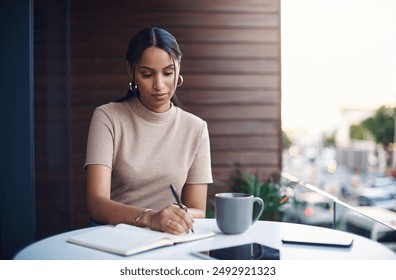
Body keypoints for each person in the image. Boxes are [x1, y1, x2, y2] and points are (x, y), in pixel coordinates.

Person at [84, 27, 213, 234]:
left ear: (179, 69)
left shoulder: (196, 128)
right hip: (114, 237)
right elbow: (96, 203)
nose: (159, 85)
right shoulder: (107, 117)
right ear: (131, 71)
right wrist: (150, 218)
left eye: (168, 73)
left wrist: (172, 218)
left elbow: (198, 210)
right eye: (147, 74)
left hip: (168, 238)